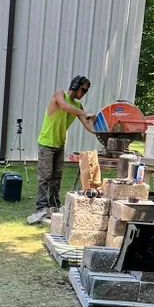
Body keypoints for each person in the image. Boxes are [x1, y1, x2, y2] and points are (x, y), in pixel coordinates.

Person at [27, 76, 97, 225]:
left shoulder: (77, 106)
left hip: (59, 144)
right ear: (76, 86)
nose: (84, 93)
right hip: (47, 142)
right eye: (83, 89)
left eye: (86, 91)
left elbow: (88, 126)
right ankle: (40, 208)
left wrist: (103, 131)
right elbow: (64, 106)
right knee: (45, 176)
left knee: (57, 177)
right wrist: (84, 113)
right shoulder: (60, 94)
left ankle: (53, 206)